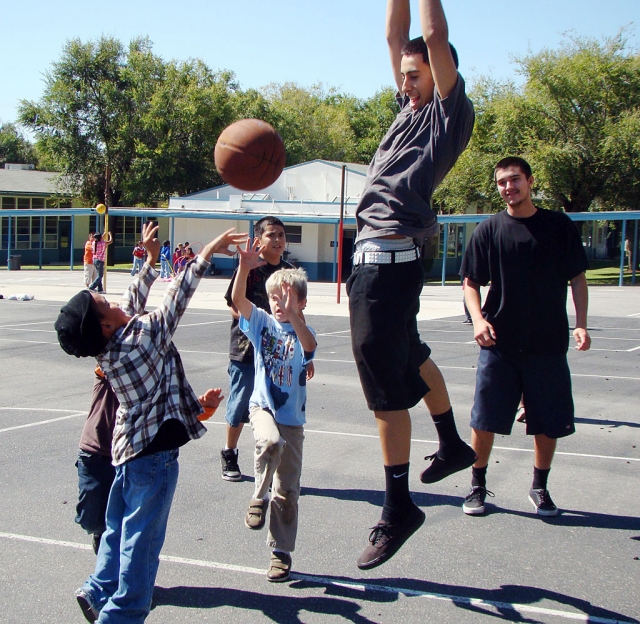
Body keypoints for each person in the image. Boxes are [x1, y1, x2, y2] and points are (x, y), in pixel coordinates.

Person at [54, 221, 245, 623]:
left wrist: (147, 259)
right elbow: (176, 299)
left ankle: (97, 589)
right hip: (152, 457)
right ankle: (123, 613)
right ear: (104, 326)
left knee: (116, 529)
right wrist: (209, 250)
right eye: (103, 303)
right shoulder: (140, 339)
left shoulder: (112, 344)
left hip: (128, 449)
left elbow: (128, 303)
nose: (112, 302)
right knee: (142, 541)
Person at [346, 0, 476, 570]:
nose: (405, 82)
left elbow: (431, 31)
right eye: (402, 75)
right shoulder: (408, 106)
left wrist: (427, 37)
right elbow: (399, 34)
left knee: (384, 388)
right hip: (382, 262)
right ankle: (450, 442)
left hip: (387, 262)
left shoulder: (449, 114)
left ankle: (398, 506)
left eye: (415, 74)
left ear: (441, 70)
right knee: (409, 356)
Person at [460, 156, 591, 518]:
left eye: (515, 180)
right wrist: (477, 321)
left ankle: (539, 487)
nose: (508, 187)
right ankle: (477, 484)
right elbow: (471, 283)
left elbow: (577, 278)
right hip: (499, 344)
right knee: (484, 419)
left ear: (530, 181)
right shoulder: (488, 230)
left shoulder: (557, 226)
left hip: (547, 344)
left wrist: (581, 323)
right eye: (502, 182)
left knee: (547, 421)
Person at [232, 238, 316, 583]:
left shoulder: (304, 332)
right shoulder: (263, 324)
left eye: (286, 298)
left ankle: (280, 553)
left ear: (302, 302)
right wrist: (243, 268)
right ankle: (257, 496)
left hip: (292, 419)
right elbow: (238, 301)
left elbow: (309, 347)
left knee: (289, 490)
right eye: (273, 298)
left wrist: (296, 317)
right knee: (269, 443)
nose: (278, 304)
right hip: (263, 406)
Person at [221, 216, 294, 481]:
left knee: (276, 406)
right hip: (246, 350)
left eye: (281, 235)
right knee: (240, 404)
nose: (277, 240)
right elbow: (233, 303)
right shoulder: (250, 268)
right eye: (271, 235)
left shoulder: (288, 272)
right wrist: (256, 323)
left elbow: (295, 311)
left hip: (276, 355)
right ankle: (229, 452)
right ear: (259, 239)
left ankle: (273, 456)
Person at [76, 366, 119, 555]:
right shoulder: (106, 367)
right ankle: (98, 532)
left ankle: (113, 572)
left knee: (122, 521)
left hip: (128, 454)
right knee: (91, 520)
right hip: (95, 451)